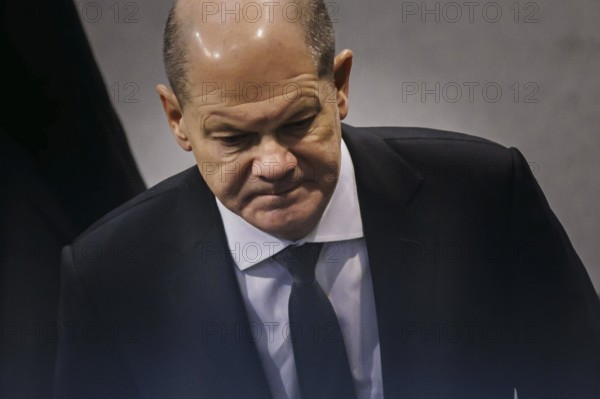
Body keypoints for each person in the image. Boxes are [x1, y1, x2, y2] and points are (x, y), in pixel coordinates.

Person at [53, 0, 600, 398]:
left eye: (298, 123)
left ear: (338, 85)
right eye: (234, 138)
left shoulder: (483, 197)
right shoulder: (109, 278)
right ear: (178, 120)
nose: (274, 165)